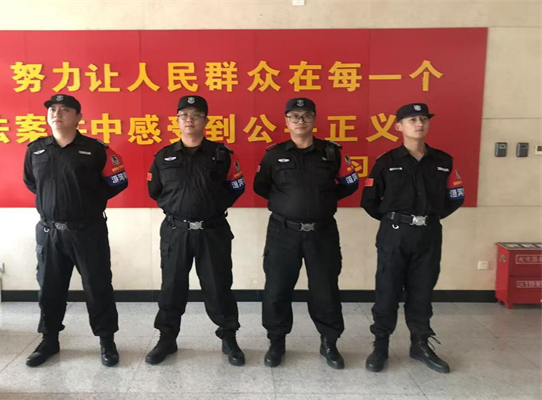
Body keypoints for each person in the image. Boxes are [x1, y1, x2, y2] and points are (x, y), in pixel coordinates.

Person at [23, 94, 128, 367]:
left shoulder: (95, 149)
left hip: (87, 231)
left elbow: (118, 181)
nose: (56, 114)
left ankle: (106, 340)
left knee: (98, 286)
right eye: (52, 109)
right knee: (49, 288)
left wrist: (88, 201)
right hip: (49, 232)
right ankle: (49, 339)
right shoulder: (36, 150)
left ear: (79, 117)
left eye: (65, 110)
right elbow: (32, 183)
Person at [253, 97, 359, 368]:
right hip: (283, 232)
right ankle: (276, 342)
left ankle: (329, 342)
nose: (300, 121)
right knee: (277, 288)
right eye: (294, 116)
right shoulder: (274, 154)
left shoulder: (331, 153)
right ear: (286, 121)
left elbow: (350, 182)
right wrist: (288, 204)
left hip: (322, 232)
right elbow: (261, 186)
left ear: (314, 119)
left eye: (306, 115)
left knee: (325, 289)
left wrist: (323, 200)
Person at [361, 102, 464, 373]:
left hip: (428, 234)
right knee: (387, 290)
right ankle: (380, 345)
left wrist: (431, 216)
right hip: (394, 235)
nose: (419, 124)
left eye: (423, 119)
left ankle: (420, 343)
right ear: (399, 126)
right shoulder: (386, 162)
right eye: (412, 120)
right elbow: (369, 200)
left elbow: (455, 196)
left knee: (422, 290)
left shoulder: (443, 161)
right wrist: (395, 220)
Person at [146, 95, 246, 366]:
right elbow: (154, 190)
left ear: (205, 120)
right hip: (175, 231)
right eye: (184, 115)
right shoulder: (164, 156)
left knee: (218, 286)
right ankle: (167, 339)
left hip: (212, 231)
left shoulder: (221, 155)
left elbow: (236, 187)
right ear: (177, 120)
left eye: (195, 115)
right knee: (172, 287)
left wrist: (212, 207)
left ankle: (229, 337)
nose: (189, 119)